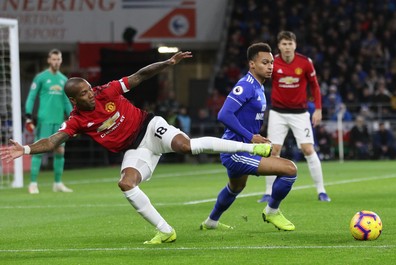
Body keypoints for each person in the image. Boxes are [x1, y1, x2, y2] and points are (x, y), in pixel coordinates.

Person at [1, 51, 273, 244]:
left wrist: (168, 62)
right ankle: (165, 230)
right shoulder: (76, 120)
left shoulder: (105, 91)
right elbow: (51, 142)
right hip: (135, 149)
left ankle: (250, 147)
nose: (90, 93)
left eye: (88, 88)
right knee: (126, 183)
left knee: (186, 146)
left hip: (150, 127)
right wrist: (24, 150)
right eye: (84, 93)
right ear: (74, 100)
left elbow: (139, 76)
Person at [200, 43, 298, 232]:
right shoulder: (246, 85)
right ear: (252, 64)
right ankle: (271, 211)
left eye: (271, 62)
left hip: (245, 148)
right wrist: (251, 137)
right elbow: (224, 114)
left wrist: (256, 137)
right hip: (236, 150)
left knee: (235, 187)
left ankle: (211, 222)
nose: (270, 66)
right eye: (264, 62)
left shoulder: (259, 87)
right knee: (289, 170)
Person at [258, 31, 331, 203]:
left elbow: (314, 85)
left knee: (308, 149)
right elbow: (260, 81)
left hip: (300, 114)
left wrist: (318, 109)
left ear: (295, 45)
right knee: (273, 151)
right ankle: (268, 192)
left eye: (290, 44)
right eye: (284, 44)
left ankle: (321, 191)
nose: (287, 47)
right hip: (278, 113)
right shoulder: (273, 62)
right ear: (279, 46)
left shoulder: (305, 63)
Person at [24, 49, 73, 194]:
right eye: (54, 59)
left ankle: (57, 183)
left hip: (59, 121)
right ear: (49, 60)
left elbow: (66, 102)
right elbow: (32, 97)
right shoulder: (41, 77)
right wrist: (28, 115)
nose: (56, 62)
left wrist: (74, 117)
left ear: (61, 60)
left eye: (58, 59)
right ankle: (33, 184)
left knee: (60, 150)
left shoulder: (64, 80)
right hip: (45, 119)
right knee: (38, 150)